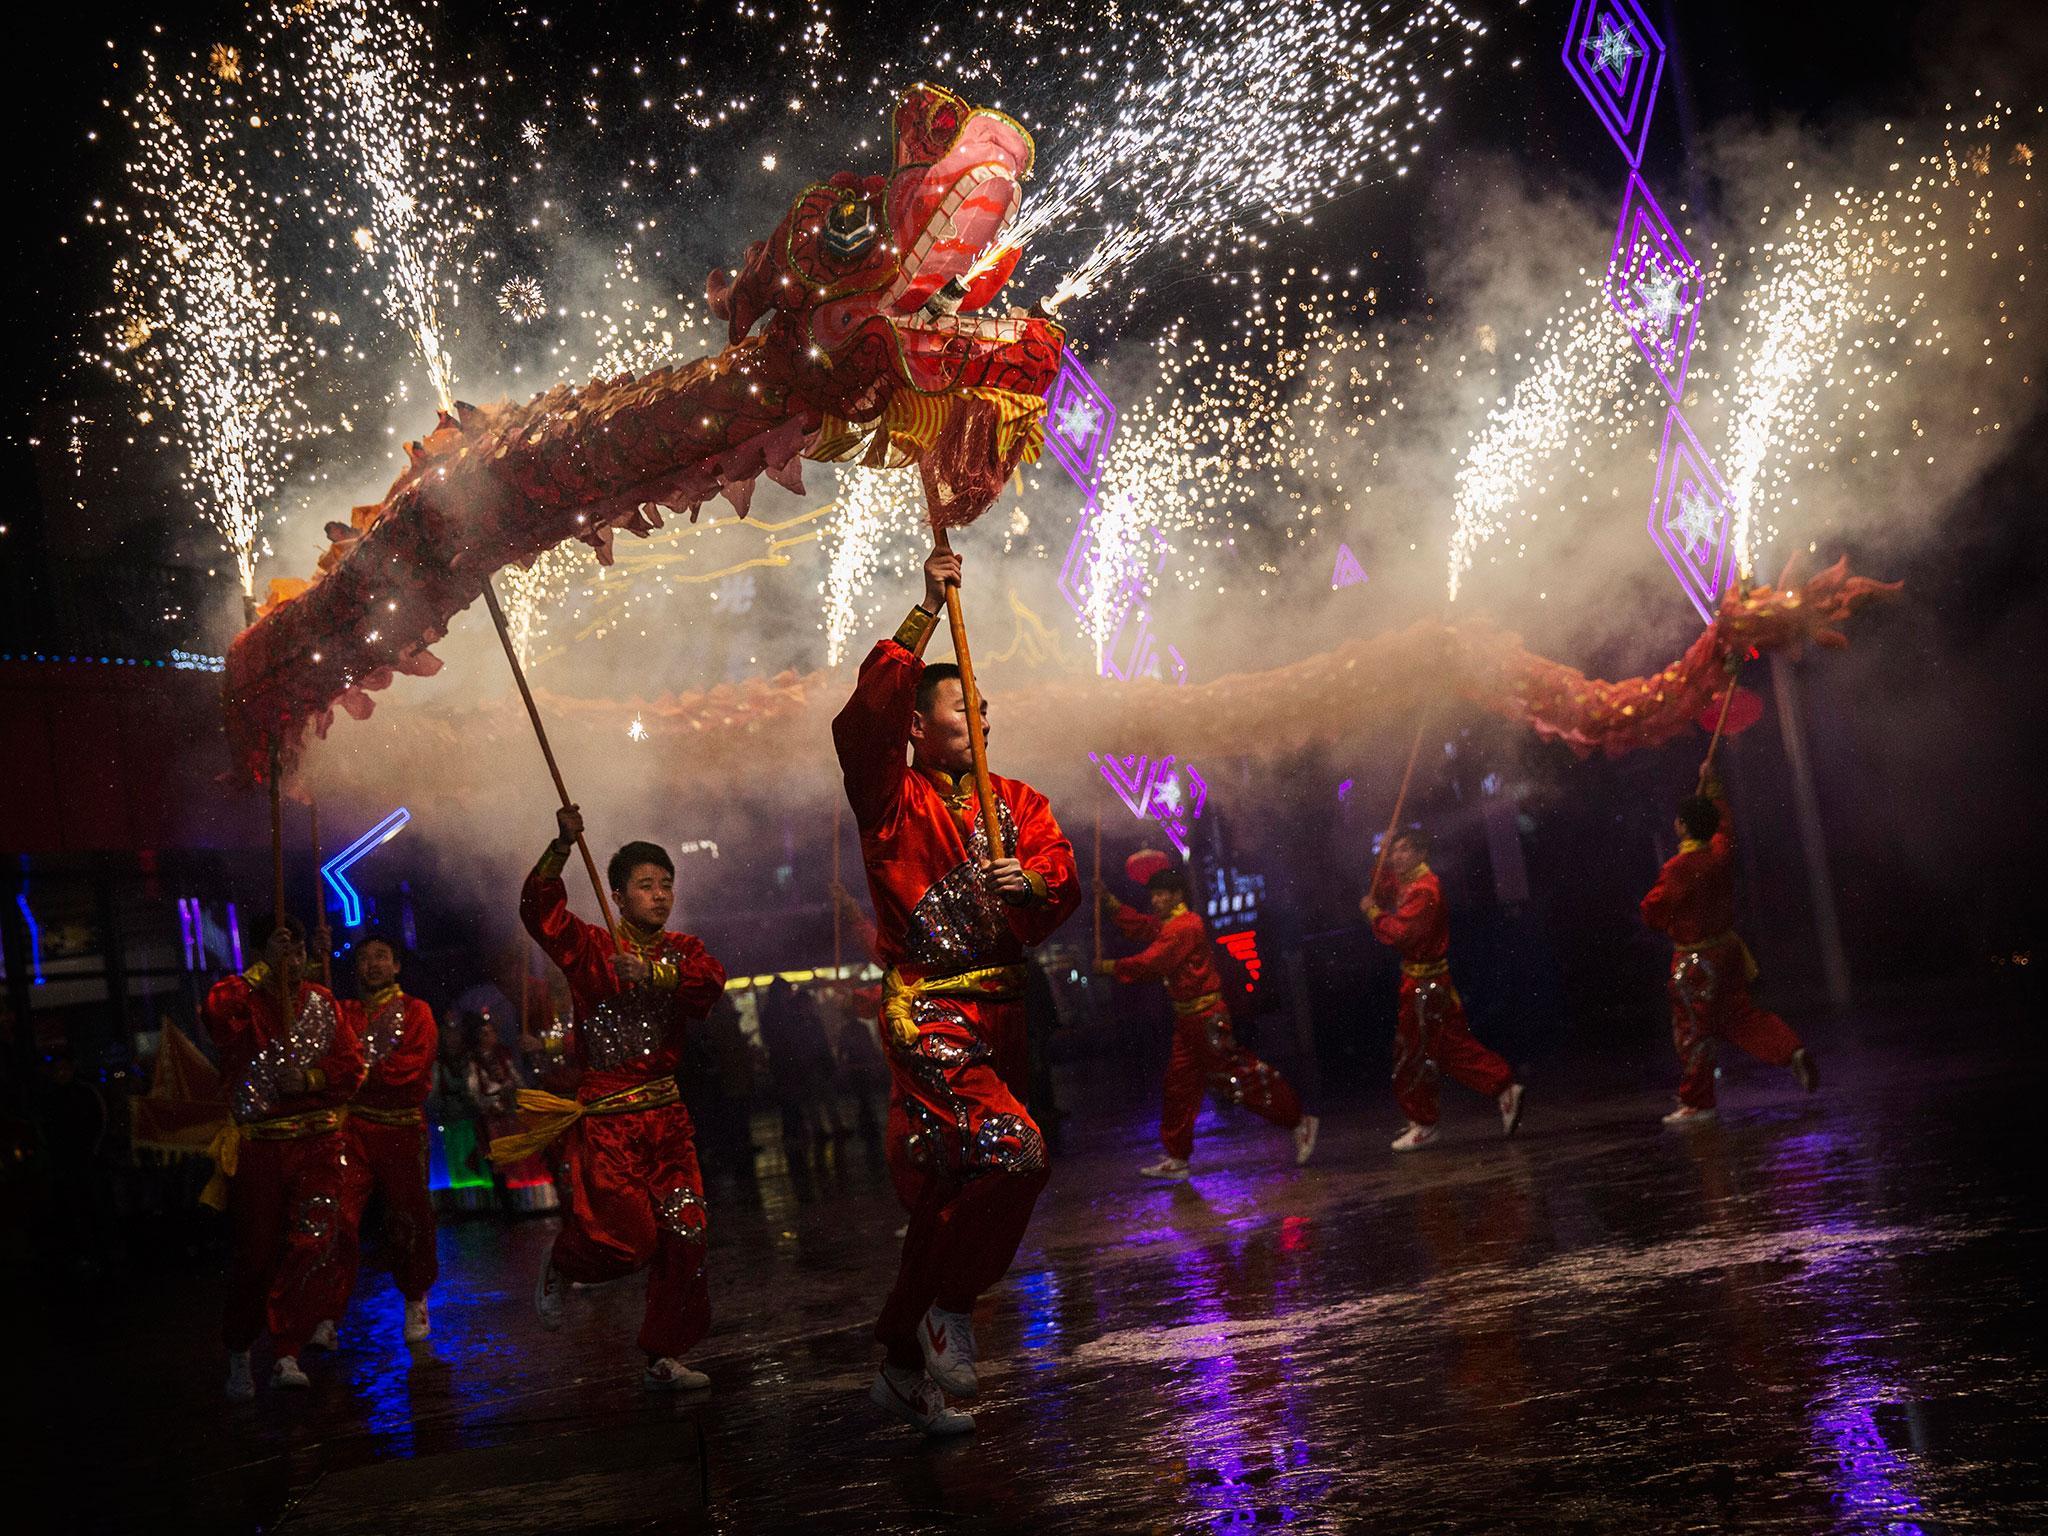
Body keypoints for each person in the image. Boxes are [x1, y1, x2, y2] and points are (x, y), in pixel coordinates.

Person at [832, 544, 1081, 1437]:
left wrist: (1037, 885)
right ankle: (953, 1307)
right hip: (931, 1010)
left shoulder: (1020, 799)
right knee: (1017, 1151)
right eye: (957, 703)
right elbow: (859, 722)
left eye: (980, 703)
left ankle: (903, 1362)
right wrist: (924, 611)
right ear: (916, 724)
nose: (976, 712)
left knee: (950, 1196)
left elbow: (1060, 873)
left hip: (1005, 1009)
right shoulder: (890, 798)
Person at [514, 808, 727, 1390]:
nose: (659, 896)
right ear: (616, 894)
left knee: (687, 1230)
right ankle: (563, 1261)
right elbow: (539, 913)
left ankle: (664, 1353)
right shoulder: (591, 947)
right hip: (610, 1121)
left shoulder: (683, 948)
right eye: (645, 885)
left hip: (669, 1119)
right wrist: (560, 845)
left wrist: (655, 975)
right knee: (629, 1242)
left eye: (666, 884)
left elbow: (710, 982)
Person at [200, 916, 363, 1400]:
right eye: (280, 949)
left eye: (296, 950)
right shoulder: (241, 1000)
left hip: (317, 1142)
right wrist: (258, 970)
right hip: (261, 1145)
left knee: (312, 1241)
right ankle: (239, 1349)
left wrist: (313, 1080)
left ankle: (288, 1348)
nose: (292, 960)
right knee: (254, 1254)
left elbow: (352, 1067)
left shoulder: (321, 1001)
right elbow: (214, 1018)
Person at [1098, 856, 1317, 1178]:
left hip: (1205, 1019)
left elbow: (1153, 962)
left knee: (1237, 1077)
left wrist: (1112, 967)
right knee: (1179, 1085)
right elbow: (1144, 926)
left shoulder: (1185, 926)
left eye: (1161, 895)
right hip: (1188, 1021)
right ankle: (1177, 1157)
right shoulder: (1171, 924)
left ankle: (1298, 1120)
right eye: (1154, 895)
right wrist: (1111, 903)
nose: (1155, 900)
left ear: (1177, 895)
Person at [1640, 771, 1818, 1125]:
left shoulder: (1678, 868)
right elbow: (1724, 828)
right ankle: (1790, 1049)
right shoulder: (1720, 852)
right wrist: (1715, 788)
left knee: (1693, 1030)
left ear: (1684, 827)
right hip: (1727, 953)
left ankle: (1698, 1101)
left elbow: (1652, 911)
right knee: (1740, 1016)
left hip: (1695, 962)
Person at [305, 935, 439, 1350]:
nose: (372, 965)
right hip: (354, 1129)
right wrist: (314, 964)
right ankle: (327, 1312)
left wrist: (351, 1073)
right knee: (337, 1216)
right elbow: (311, 1035)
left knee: (408, 1219)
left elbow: (411, 1070)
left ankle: (415, 1299)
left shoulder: (417, 1011)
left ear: (397, 965)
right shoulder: (342, 1013)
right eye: (363, 959)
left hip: (399, 1130)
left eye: (381, 957)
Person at [1363, 830, 1524, 1152]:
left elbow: (1402, 934)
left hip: (1425, 984)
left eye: (1404, 850)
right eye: (1395, 851)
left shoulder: (1425, 889)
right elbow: (1382, 887)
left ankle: (1424, 1123)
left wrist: (1374, 914)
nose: (1398, 856)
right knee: (1448, 1047)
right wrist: (1379, 861)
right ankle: (1502, 1086)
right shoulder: (1408, 881)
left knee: (1414, 1052)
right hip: (1423, 981)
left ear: (1422, 853)